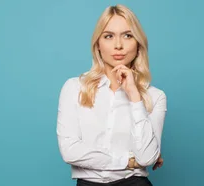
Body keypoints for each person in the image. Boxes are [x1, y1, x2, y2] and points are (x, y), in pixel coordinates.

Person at [56, 4, 165, 186]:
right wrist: (128, 161)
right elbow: (70, 151)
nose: (118, 45)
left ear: (138, 44)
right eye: (109, 36)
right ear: (98, 44)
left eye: (127, 35)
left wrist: (134, 95)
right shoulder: (74, 88)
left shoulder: (155, 96)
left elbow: (146, 158)